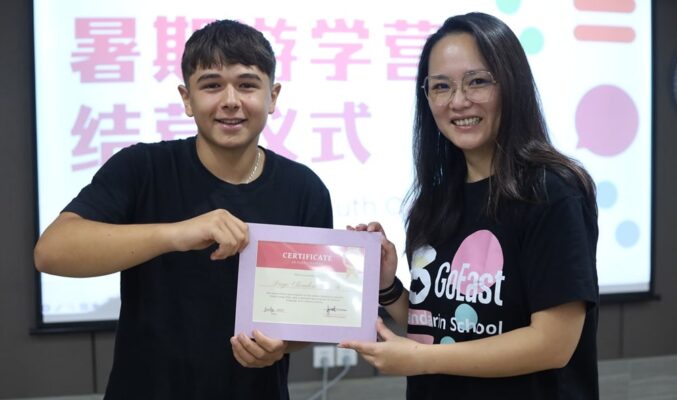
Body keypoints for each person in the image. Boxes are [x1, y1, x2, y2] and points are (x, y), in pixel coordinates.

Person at [33, 19, 333, 399]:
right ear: (187, 98)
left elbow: (312, 316)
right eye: (211, 85)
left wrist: (283, 345)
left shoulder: (305, 189)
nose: (230, 100)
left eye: (247, 85)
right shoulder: (142, 168)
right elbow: (51, 251)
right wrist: (176, 233)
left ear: (272, 96)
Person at [340, 12, 599, 399]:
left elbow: (553, 344)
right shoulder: (433, 203)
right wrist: (388, 287)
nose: (458, 101)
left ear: (511, 84)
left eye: (477, 81)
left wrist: (420, 359)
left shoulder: (552, 192)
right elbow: (441, 325)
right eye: (441, 87)